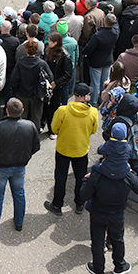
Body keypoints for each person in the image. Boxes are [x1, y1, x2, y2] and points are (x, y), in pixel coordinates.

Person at [81, 150, 138, 274]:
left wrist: (85, 180)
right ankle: (120, 266)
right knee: (117, 239)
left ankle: (98, 268)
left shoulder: (97, 174)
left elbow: (83, 195)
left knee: (98, 241)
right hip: (117, 214)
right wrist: (132, 173)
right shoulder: (127, 175)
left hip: (98, 213)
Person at [0, 97, 39, 231]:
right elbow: (35, 146)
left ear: (6, 111)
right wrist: (26, 157)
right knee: (19, 194)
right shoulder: (30, 126)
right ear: (22, 110)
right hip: (19, 166)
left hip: (0, 167)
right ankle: (19, 223)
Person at [44, 83, 98, 216]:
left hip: (63, 149)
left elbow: (54, 127)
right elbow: (93, 129)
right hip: (81, 150)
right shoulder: (93, 112)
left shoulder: (63, 110)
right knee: (81, 178)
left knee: (60, 177)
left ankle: (57, 205)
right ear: (85, 97)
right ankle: (80, 204)